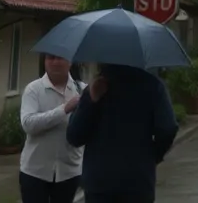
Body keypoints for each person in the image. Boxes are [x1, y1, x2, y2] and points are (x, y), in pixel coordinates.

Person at [66, 64, 179, 203]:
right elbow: (168, 128)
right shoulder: (153, 85)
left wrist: (90, 100)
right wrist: (153, 156)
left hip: (100, 183)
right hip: (138, 182)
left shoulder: (96, 86)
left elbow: (74, 136)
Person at [19, 54, 84, 203]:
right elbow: (28, 124)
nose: (55, 62)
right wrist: (64, 109)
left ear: (70, 62)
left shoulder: (81, 90)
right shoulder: (33, 89)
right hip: (35, 172)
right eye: (50, 58)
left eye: (60, 58)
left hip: (69, 172)